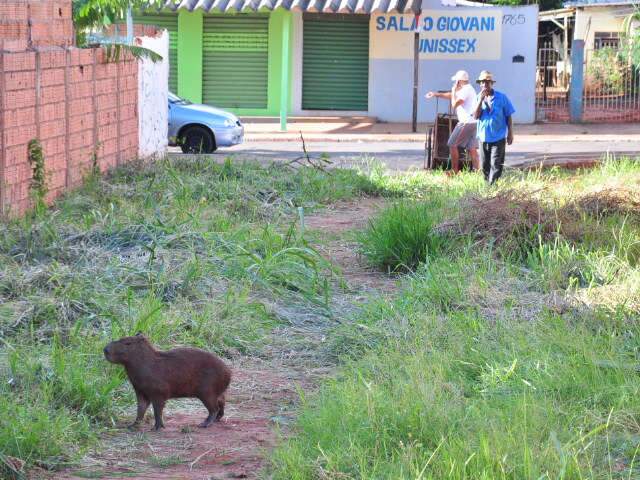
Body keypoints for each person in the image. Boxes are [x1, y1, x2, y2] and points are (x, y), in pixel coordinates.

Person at [425, 70, 479, 173]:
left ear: (459, 81)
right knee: (472, 148)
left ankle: (454, 170)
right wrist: (436, 94)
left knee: (452, 144)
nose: (455, 83)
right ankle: (478, 171)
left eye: (456, 81)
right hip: (473, 122)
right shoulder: (467, 89)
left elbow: (454, 104)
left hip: (465, 122)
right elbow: (451, 96)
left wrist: (454, 91)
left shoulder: (466, 90)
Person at [473, 70, 515, 184]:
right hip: (483, 138)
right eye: (482, 82)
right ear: (480, 84)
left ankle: (492, 188)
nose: (485, 84)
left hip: (498, 137)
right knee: (485, 165)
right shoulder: (478, 98)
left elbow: (508, 115)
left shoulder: (501, 97)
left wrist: (510, 133)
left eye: (487, 82)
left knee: (496, 164)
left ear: (492, 83)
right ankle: (488, 188)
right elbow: (475, 116)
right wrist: (480, 100)